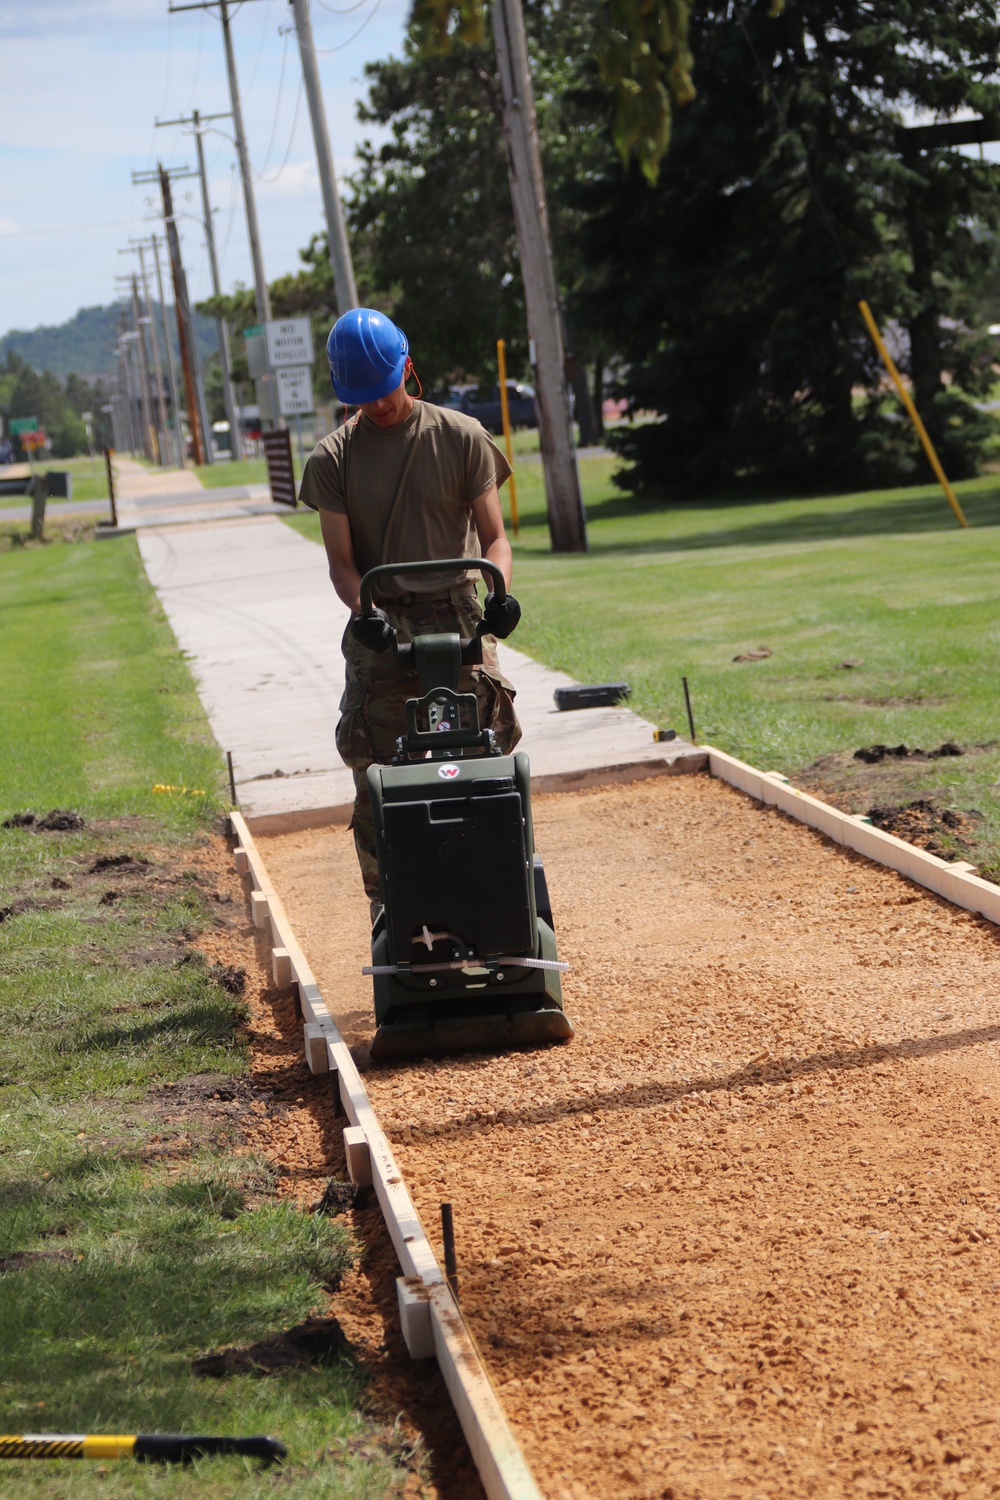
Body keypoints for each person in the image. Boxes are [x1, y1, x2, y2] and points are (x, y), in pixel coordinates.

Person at [299, 307, 523, 905]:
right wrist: (362, 613)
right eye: (363, 396)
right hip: (381, 622)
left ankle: (501, 877)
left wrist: (499, 595)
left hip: (458, 613)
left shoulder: (461, 436)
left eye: (386, 388)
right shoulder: (331, 460)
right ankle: (390, 903)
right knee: (375, 761)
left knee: (490, 744)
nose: (379, 405)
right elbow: (342, 564)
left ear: (407, 366)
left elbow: (495, 539)